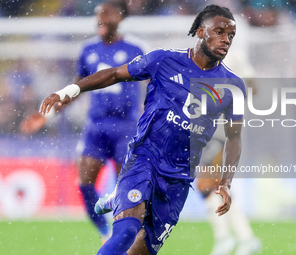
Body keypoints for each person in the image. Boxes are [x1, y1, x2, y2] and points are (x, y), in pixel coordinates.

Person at [39, 4, 246, 255]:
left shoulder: (232, 86)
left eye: (231, 36)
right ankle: (124, 194)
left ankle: (118, 196)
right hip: (144, 158)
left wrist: (225, 182)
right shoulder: (164, 60)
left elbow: (234, 137)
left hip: (178, 178)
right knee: (125, 233)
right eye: (220, 32)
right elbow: (115, 74)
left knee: (140, 252)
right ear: (201, 31)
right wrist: (69, 90)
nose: (226, 40)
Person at [20, 0, 145, 242]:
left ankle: (129, 235)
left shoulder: (136, 48)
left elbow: (152, 84)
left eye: (106, 14)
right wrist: (46, 114)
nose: (100, 19)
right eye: (98, 15)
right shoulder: (89, 50)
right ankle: (104, 232)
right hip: (96, 126)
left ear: (119, 17)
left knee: (126, 187)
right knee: (85, 182)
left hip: (126, 126)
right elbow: (76, 88)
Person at [197, 50, 261, 255]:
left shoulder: (233, 58)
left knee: (205, 185)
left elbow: (253, 88)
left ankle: (225, 238)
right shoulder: (199, 59)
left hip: (222, 132)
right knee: (217, 187)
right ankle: (245, 238)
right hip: (207, 131)